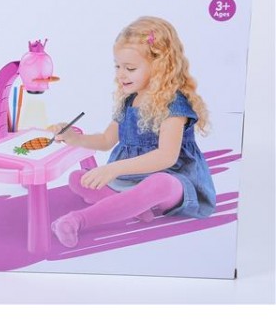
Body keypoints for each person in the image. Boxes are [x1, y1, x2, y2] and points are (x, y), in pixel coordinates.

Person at [50, 16, 216, 248]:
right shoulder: (129, 101)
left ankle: (78, 221)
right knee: (79, 179)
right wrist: (74, 138)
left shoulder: (174, 105)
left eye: (130, 68)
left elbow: (166, 157)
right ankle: (135, 206)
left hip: (173, 180)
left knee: (160, 183)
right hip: (132, 179)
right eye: (117, 66)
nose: (121, 74)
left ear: (159, 66)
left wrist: (113, 169)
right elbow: (107, 140)